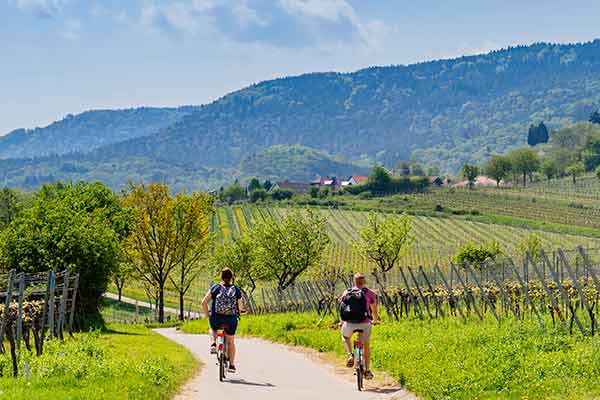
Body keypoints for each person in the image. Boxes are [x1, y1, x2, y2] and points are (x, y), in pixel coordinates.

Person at [202, 268, 243, 373]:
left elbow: (204, 302)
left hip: (216, 317)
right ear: (231, 278)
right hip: (231, 319)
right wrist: (240, 312)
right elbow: (240, 307)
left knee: (212, 329)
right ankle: (232, 365)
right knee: (231, 342)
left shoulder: (216, 287)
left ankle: (213, 344)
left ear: (221, 277)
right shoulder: (236, 289)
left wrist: (208, 315)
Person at [339, 272, 379, 380]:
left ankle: (350, 354)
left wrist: (342, 322)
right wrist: (375, 320)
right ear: (364, 281)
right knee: (366, 344)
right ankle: (367, 370)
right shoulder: (369, 293)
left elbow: (342, 309)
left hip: (350, 323)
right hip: (365, 323)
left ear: (354, 281)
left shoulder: (347, 292)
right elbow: (374, 310)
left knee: (345, 336)